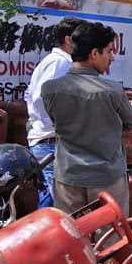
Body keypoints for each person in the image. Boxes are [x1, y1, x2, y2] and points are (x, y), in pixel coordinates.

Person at [41, 21, 132, 215]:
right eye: (109, 51)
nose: (112, 58)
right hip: (106, 179)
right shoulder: (113, 91)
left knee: (73, 237)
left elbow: (54, 119)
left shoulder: (49, 89)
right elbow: (131, 123)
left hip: (67, 178)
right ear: (94, 54)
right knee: (110, 240)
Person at [25, 16, 86, 208]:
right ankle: (41, 238)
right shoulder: (60, 63)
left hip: (51, 141)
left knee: (56, 201)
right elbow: (40, 97)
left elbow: (31, 95)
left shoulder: (57, 62)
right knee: (53, 201)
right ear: (69, 40)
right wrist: (59, 125)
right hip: (51, 143)